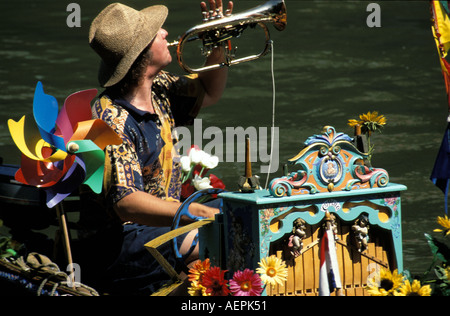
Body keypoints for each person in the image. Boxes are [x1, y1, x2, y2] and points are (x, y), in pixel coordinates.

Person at [79, 0, 233, 295]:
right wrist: (192, 210)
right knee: (212, 240)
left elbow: (209, 91)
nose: (164, 32)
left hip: (163, 223)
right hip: (119, 243)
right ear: (142, 54)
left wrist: (218, 40)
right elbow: (126, 203)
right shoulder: (108, 119)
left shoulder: (160, 87)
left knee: (240, 209)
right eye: (155, 33)